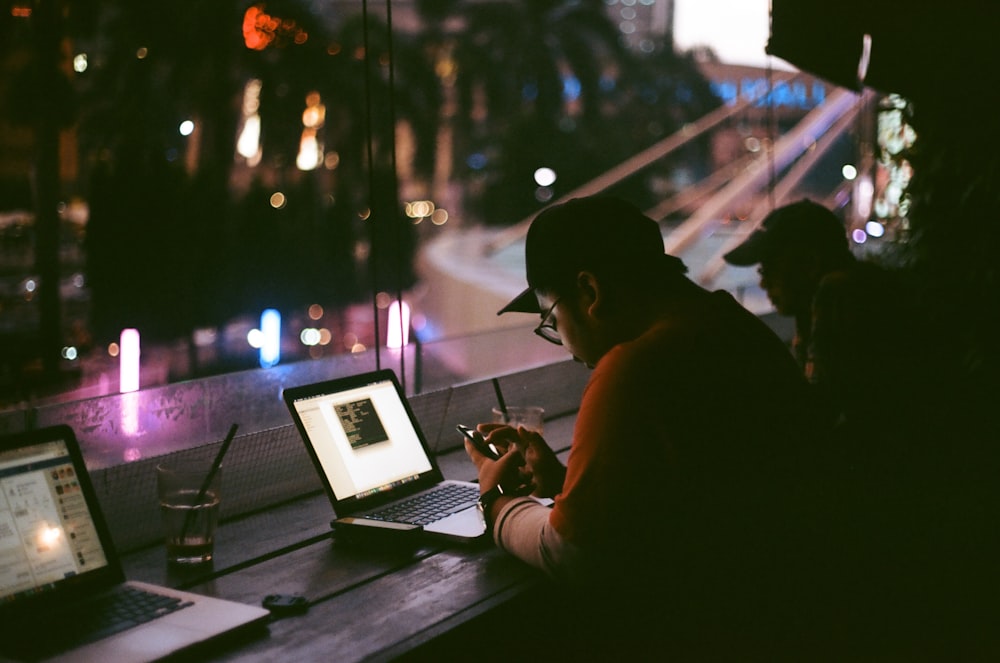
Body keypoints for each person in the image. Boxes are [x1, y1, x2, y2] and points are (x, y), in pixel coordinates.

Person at [464, 195, 826, 657]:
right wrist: (568, 486)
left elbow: (572, 556)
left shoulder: (634, 368)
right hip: (791, 612)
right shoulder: (737, 329)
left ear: (590, 293)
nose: (569, 350)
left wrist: (498, 501)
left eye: (552, 320)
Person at [722, 198, 935, 440]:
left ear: (810, 264)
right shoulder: (861, 288)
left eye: (769, 269)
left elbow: (816, 415)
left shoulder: (838, 293)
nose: (763, 283)